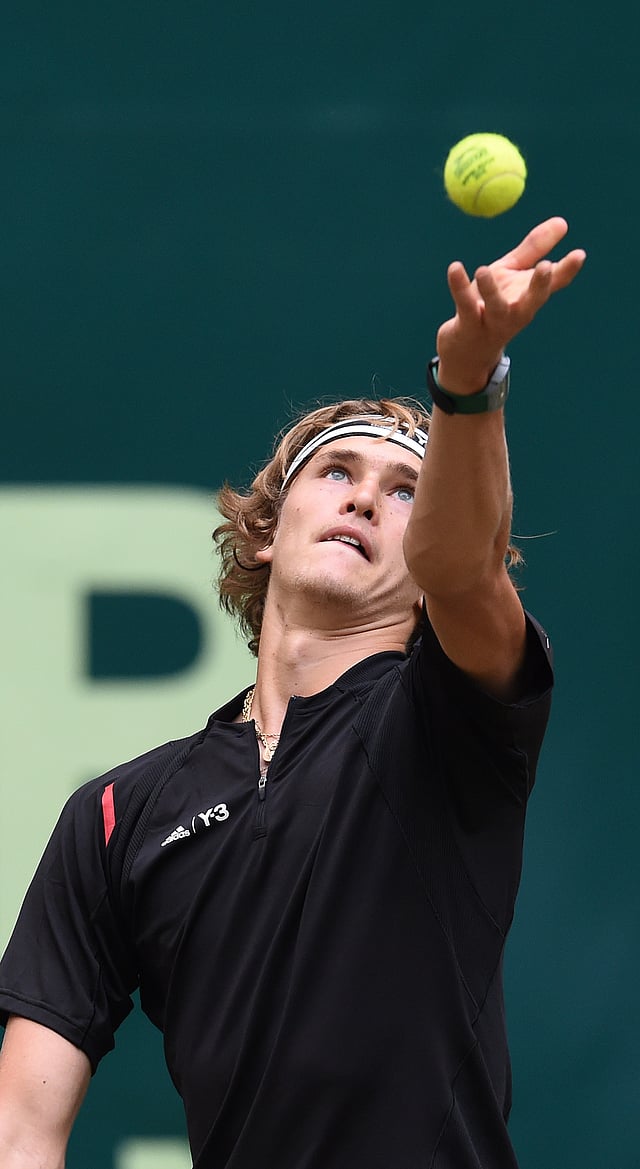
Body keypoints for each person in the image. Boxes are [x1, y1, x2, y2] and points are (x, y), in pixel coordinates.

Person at [0, 217, 585, 1169]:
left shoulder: (452, 719)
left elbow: (464, 569)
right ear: (268, 529)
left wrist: (468, 386)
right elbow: (21, 1131)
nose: (364, 498)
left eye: (406, 490)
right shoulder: (116, 815)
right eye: (339, 472)